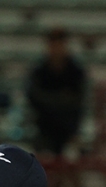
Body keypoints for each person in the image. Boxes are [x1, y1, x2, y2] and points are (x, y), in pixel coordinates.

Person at [25, 28, 87, 156]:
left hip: (69, 128)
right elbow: (34, 97)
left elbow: (78, 99)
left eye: (60, 44)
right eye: (53, 44)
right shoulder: (39, 71)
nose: (57, 49)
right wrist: (60, 99)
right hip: (44, 128)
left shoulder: (75, 71)